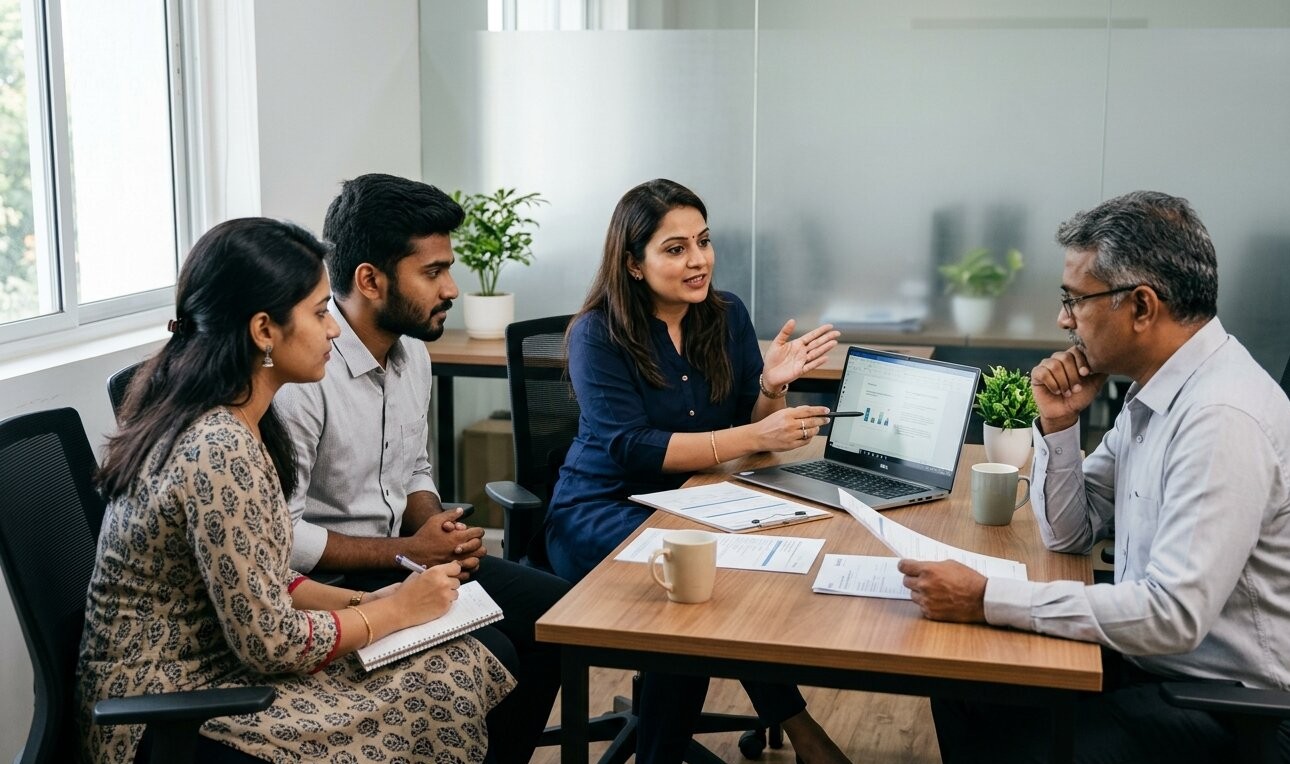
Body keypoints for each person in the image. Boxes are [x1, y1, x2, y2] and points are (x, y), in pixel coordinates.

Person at [78, 218, 516, 764]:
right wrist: (395, 611)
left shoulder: (237, 417)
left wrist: (370, 600)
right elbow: (271, 643)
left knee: (458, 666)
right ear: (264, 330)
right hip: (170, 708)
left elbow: (265, 573)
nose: (333, 329)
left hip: (223, 668)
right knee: (442, 684)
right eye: (317, 313)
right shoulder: (218, 446)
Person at [898, 191, 1290, 763]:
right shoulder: (1153, 392)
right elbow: (1069, 533)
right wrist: (1058, 424)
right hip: (1152, 668)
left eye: (1074, 300)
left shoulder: (1219, 418)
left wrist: (987, 598)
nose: (1062, 319)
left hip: (1225, 709)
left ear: (1141, 307)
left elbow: (1171, 617)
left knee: (1013, 736)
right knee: (964, 687)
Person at [545, 178, 850, 764]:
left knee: (747, 562)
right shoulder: (598, 333)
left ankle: (738, 734)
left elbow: (747, 426)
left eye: (703, 242)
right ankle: (789, 728)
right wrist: (754, 433)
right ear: (633, 264)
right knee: (697, 583)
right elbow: (633, 448)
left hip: (698, 502)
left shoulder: (726, 314)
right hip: (600, 510)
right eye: (675, 248)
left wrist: (770, 387)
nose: (698, 260)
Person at [272, 173, 569, 764]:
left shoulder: (414, 351)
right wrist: (409, 549)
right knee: (495, 650)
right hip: (337, 582)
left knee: (559, 617)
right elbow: (284, 536)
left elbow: (415, 466)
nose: (452, 288)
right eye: (432, 272)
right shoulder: (303, 378)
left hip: (406, 556)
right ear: (370, 280)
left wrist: (436, 528)